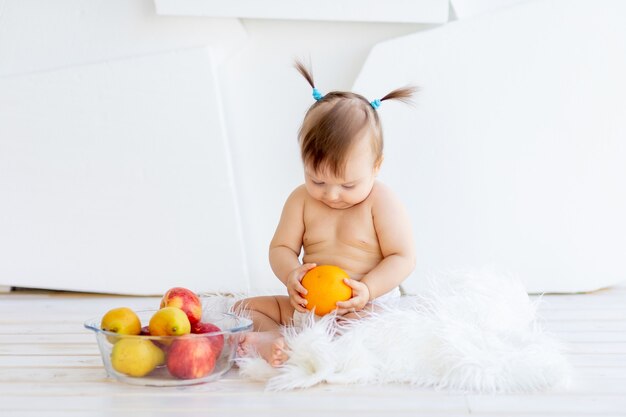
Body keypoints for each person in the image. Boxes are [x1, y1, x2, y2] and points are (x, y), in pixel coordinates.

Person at [235, 61, 416, 366]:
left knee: (386, 328)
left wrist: (368, 289)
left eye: (348, 184)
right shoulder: (301, 200)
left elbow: (403, 257)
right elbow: (281, 248)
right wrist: (291, 274)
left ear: (376, 166)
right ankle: (271, 339)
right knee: (242, 309)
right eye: (317, 180)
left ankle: (323, 349)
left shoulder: (381, 201)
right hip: (308, 309)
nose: (331, 195)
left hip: (361, 309)